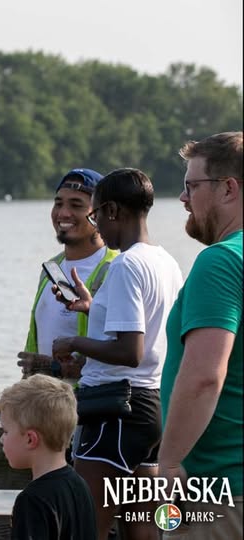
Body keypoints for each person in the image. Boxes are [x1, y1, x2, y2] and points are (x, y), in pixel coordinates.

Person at [52, 168, 184, 540]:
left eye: (94, 215)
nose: (97, 226)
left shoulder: (125, 264)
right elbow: (152, 329)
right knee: (141, 529)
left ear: (112, 211)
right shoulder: (165, 262)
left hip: (115, 412)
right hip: (151, 408)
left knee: (85, 526)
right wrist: (95, 309)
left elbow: (130, 350)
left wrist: (73, 343)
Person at [158, 131, 243, 538]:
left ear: (228, 188)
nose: (182, 198)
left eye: (191, 185)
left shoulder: (222, 261)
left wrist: (170, 463)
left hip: (218, 492)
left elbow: (205, 375)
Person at [0, 169, 117, 414]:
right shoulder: (51, 269)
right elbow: (34, 354)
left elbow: (126, 354)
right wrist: (17, 398)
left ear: (98, 214)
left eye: (76, 205)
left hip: (89, 414)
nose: (63, 213)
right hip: (47, 413)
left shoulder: (115, 268)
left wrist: (59, 369)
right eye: (58, 203)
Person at [0, 374, 97, 540]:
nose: (1, 439)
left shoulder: (32, 500)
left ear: (30, 439)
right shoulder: (80, 485)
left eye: (6, 431)